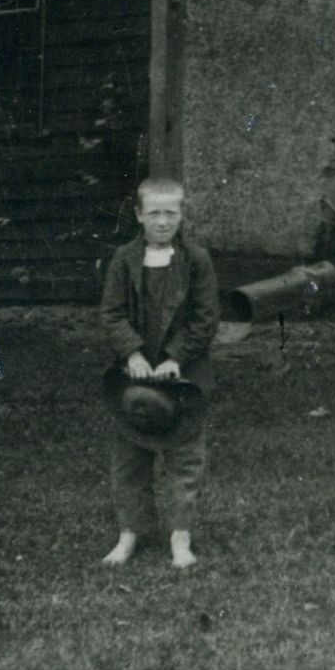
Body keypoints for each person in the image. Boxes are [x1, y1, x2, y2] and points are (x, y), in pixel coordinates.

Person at [98, 176, 219, 569]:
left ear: (182, 215)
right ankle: (130, 532)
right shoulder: (124, 259)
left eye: (171, 213)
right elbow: (112, 313)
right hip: (134, 377)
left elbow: (205, 318)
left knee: (185, 459)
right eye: (154, 213)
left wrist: (176, 358)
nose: (163, 222)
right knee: (129, 459)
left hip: (182, 376)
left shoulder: (196, 260)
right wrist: (131, 352)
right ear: (139, 215)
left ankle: (180, 536)